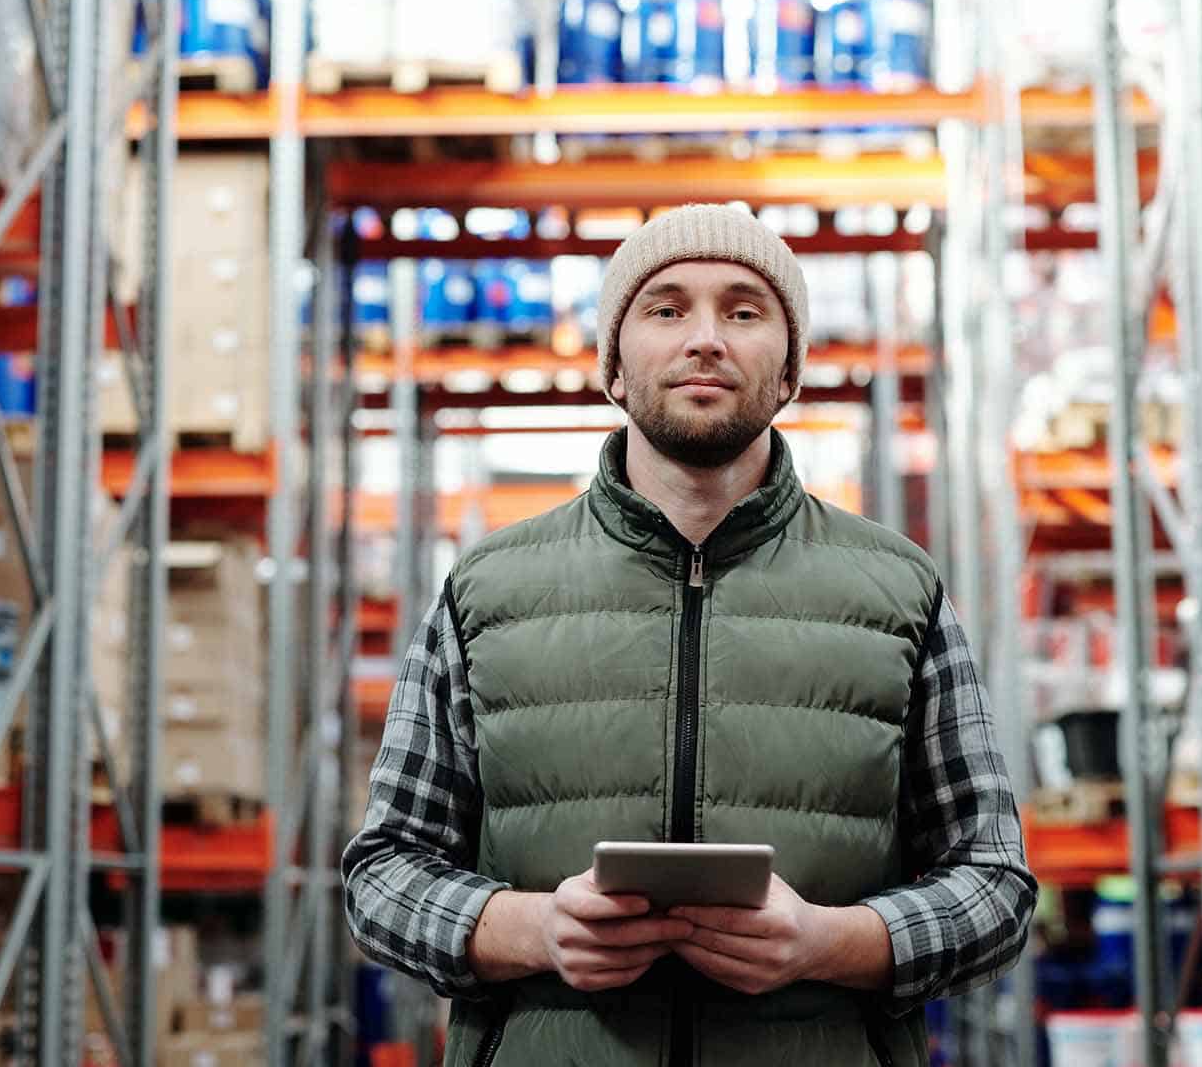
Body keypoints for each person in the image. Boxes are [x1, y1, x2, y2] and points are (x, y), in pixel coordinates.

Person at [343, 204, 1036, 1066]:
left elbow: (996, 883)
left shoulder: (900, 591)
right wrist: (531, 929)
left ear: (787, 373)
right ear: (615, 368)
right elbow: (382, 872)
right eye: (666, 309)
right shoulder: (487, 590)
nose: (705, 338)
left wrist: (831, 942)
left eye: (744, 311)